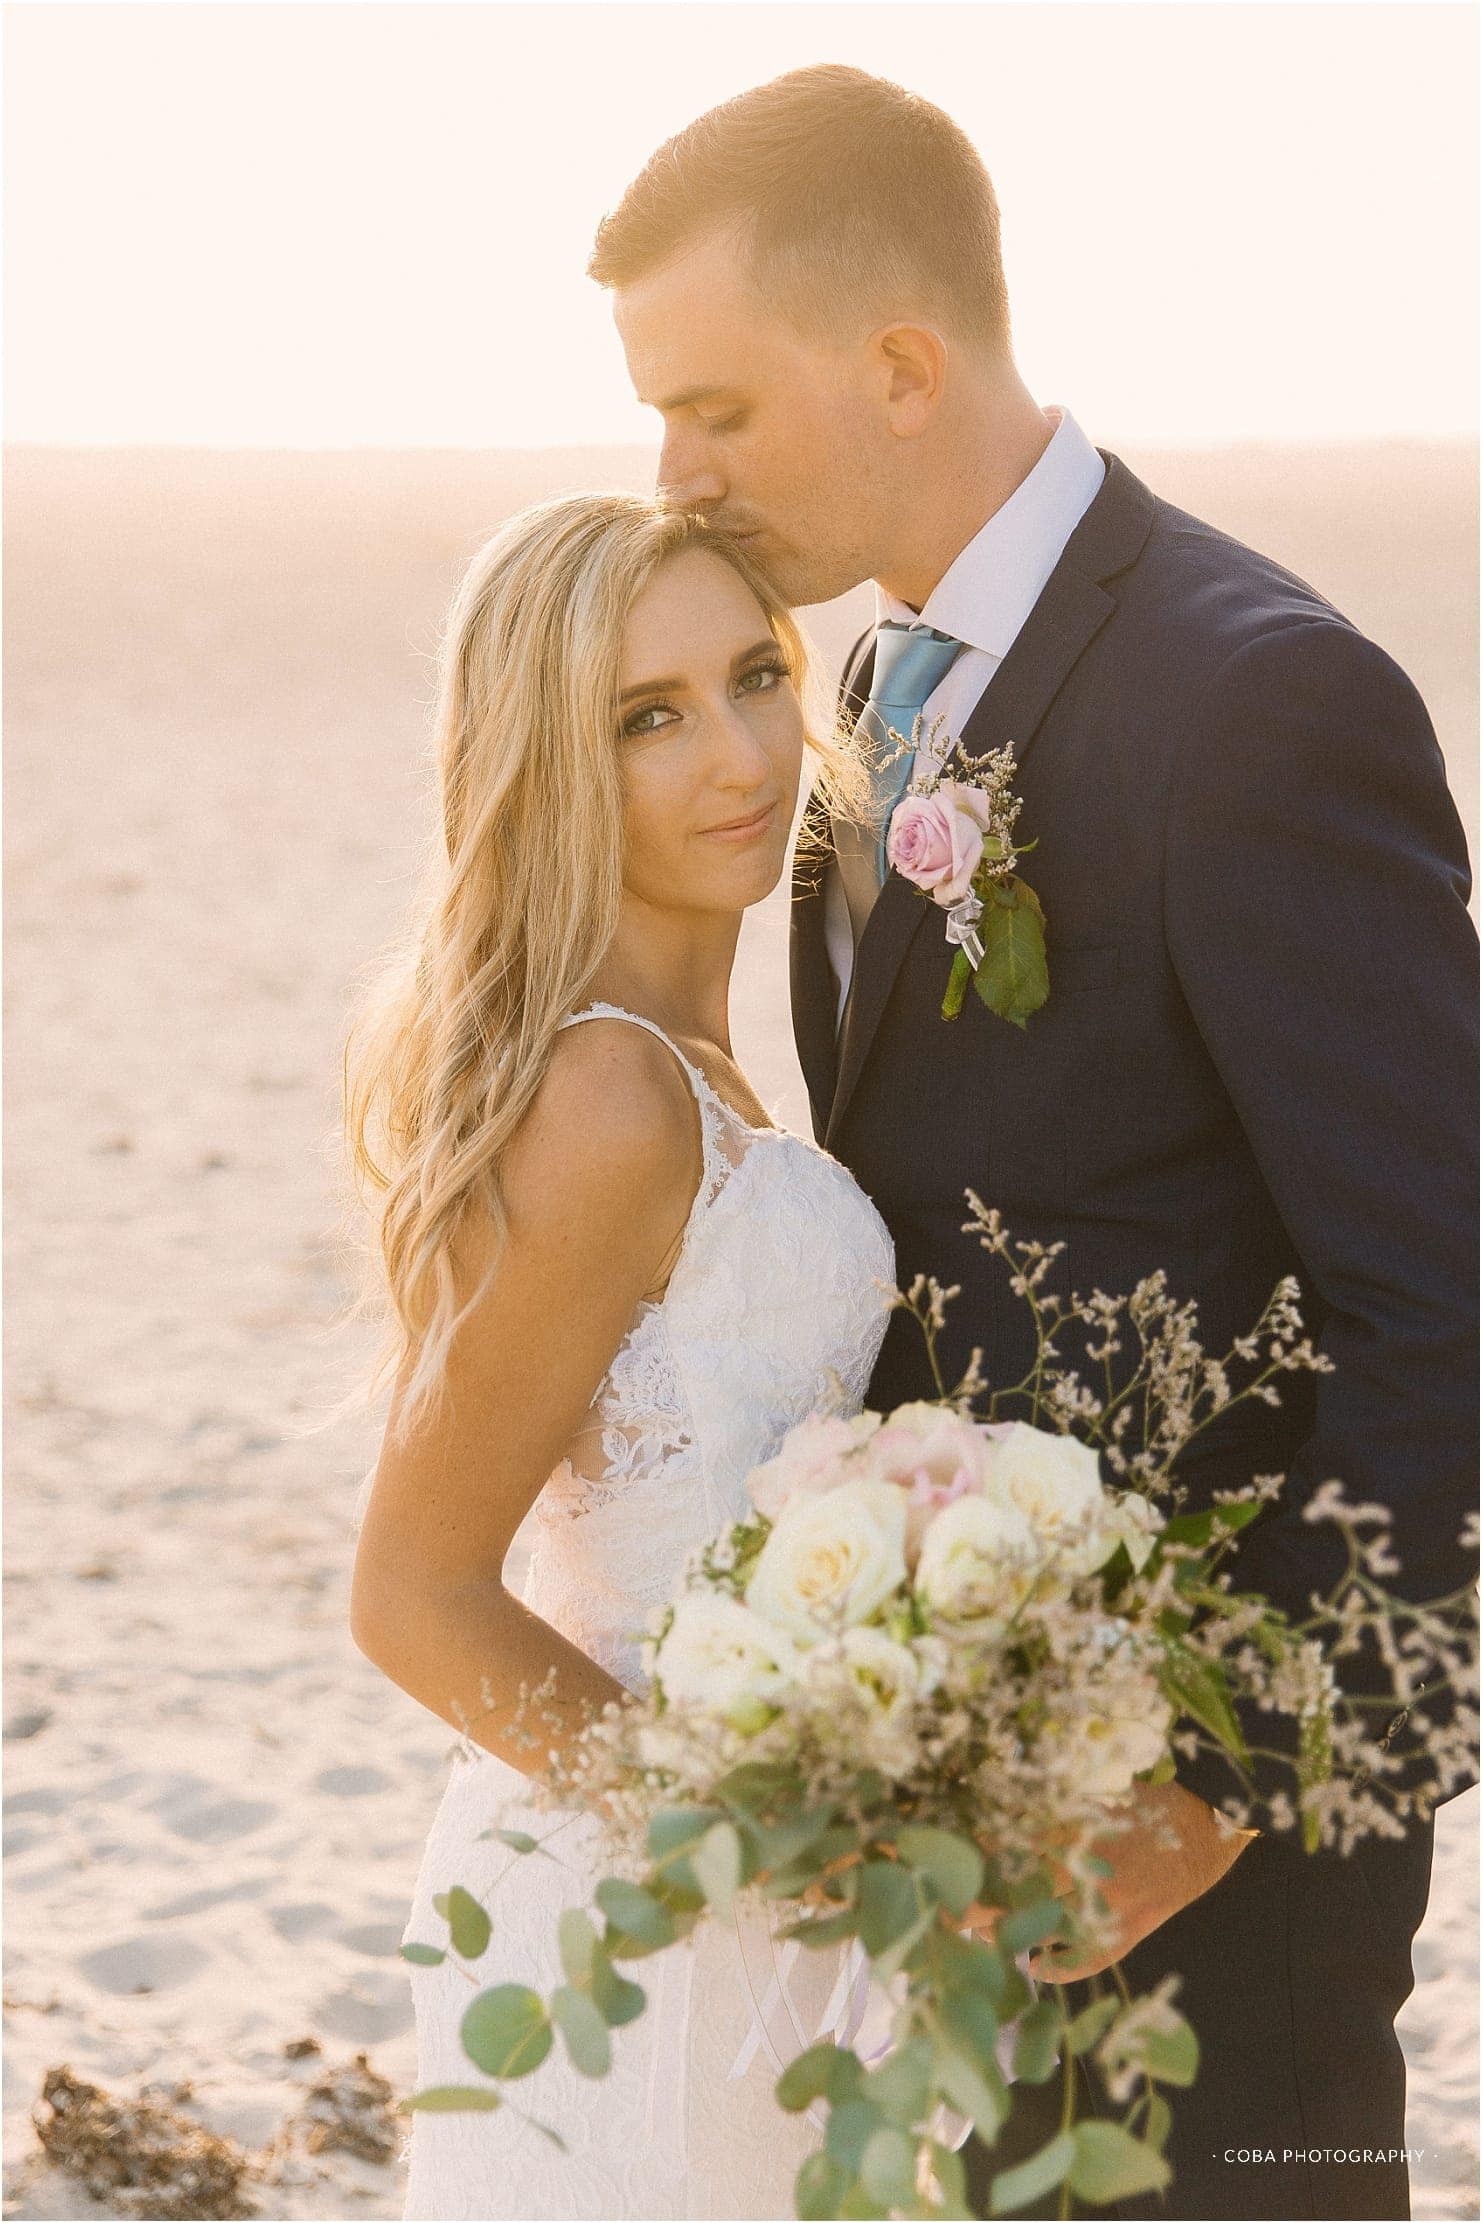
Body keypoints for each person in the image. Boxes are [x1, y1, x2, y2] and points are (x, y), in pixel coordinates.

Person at [591, 62, 1479, 2222]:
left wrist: (1209, 1797)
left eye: (712, 407)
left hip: (1216, 1895)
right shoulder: (868, 697)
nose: (674, 476)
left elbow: (1446, 1304)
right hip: (949, 1829)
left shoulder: (1254, 696)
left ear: (900, 363)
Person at [345, 491, 898, 2220]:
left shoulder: (697, 1062)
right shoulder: (607, 1094)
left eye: (753, 677)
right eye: (644, 718)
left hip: (740, 1883)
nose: (737, 753)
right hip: (640, 1908)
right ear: (546, 762)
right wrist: (751, 1845)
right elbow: (416, 1596)